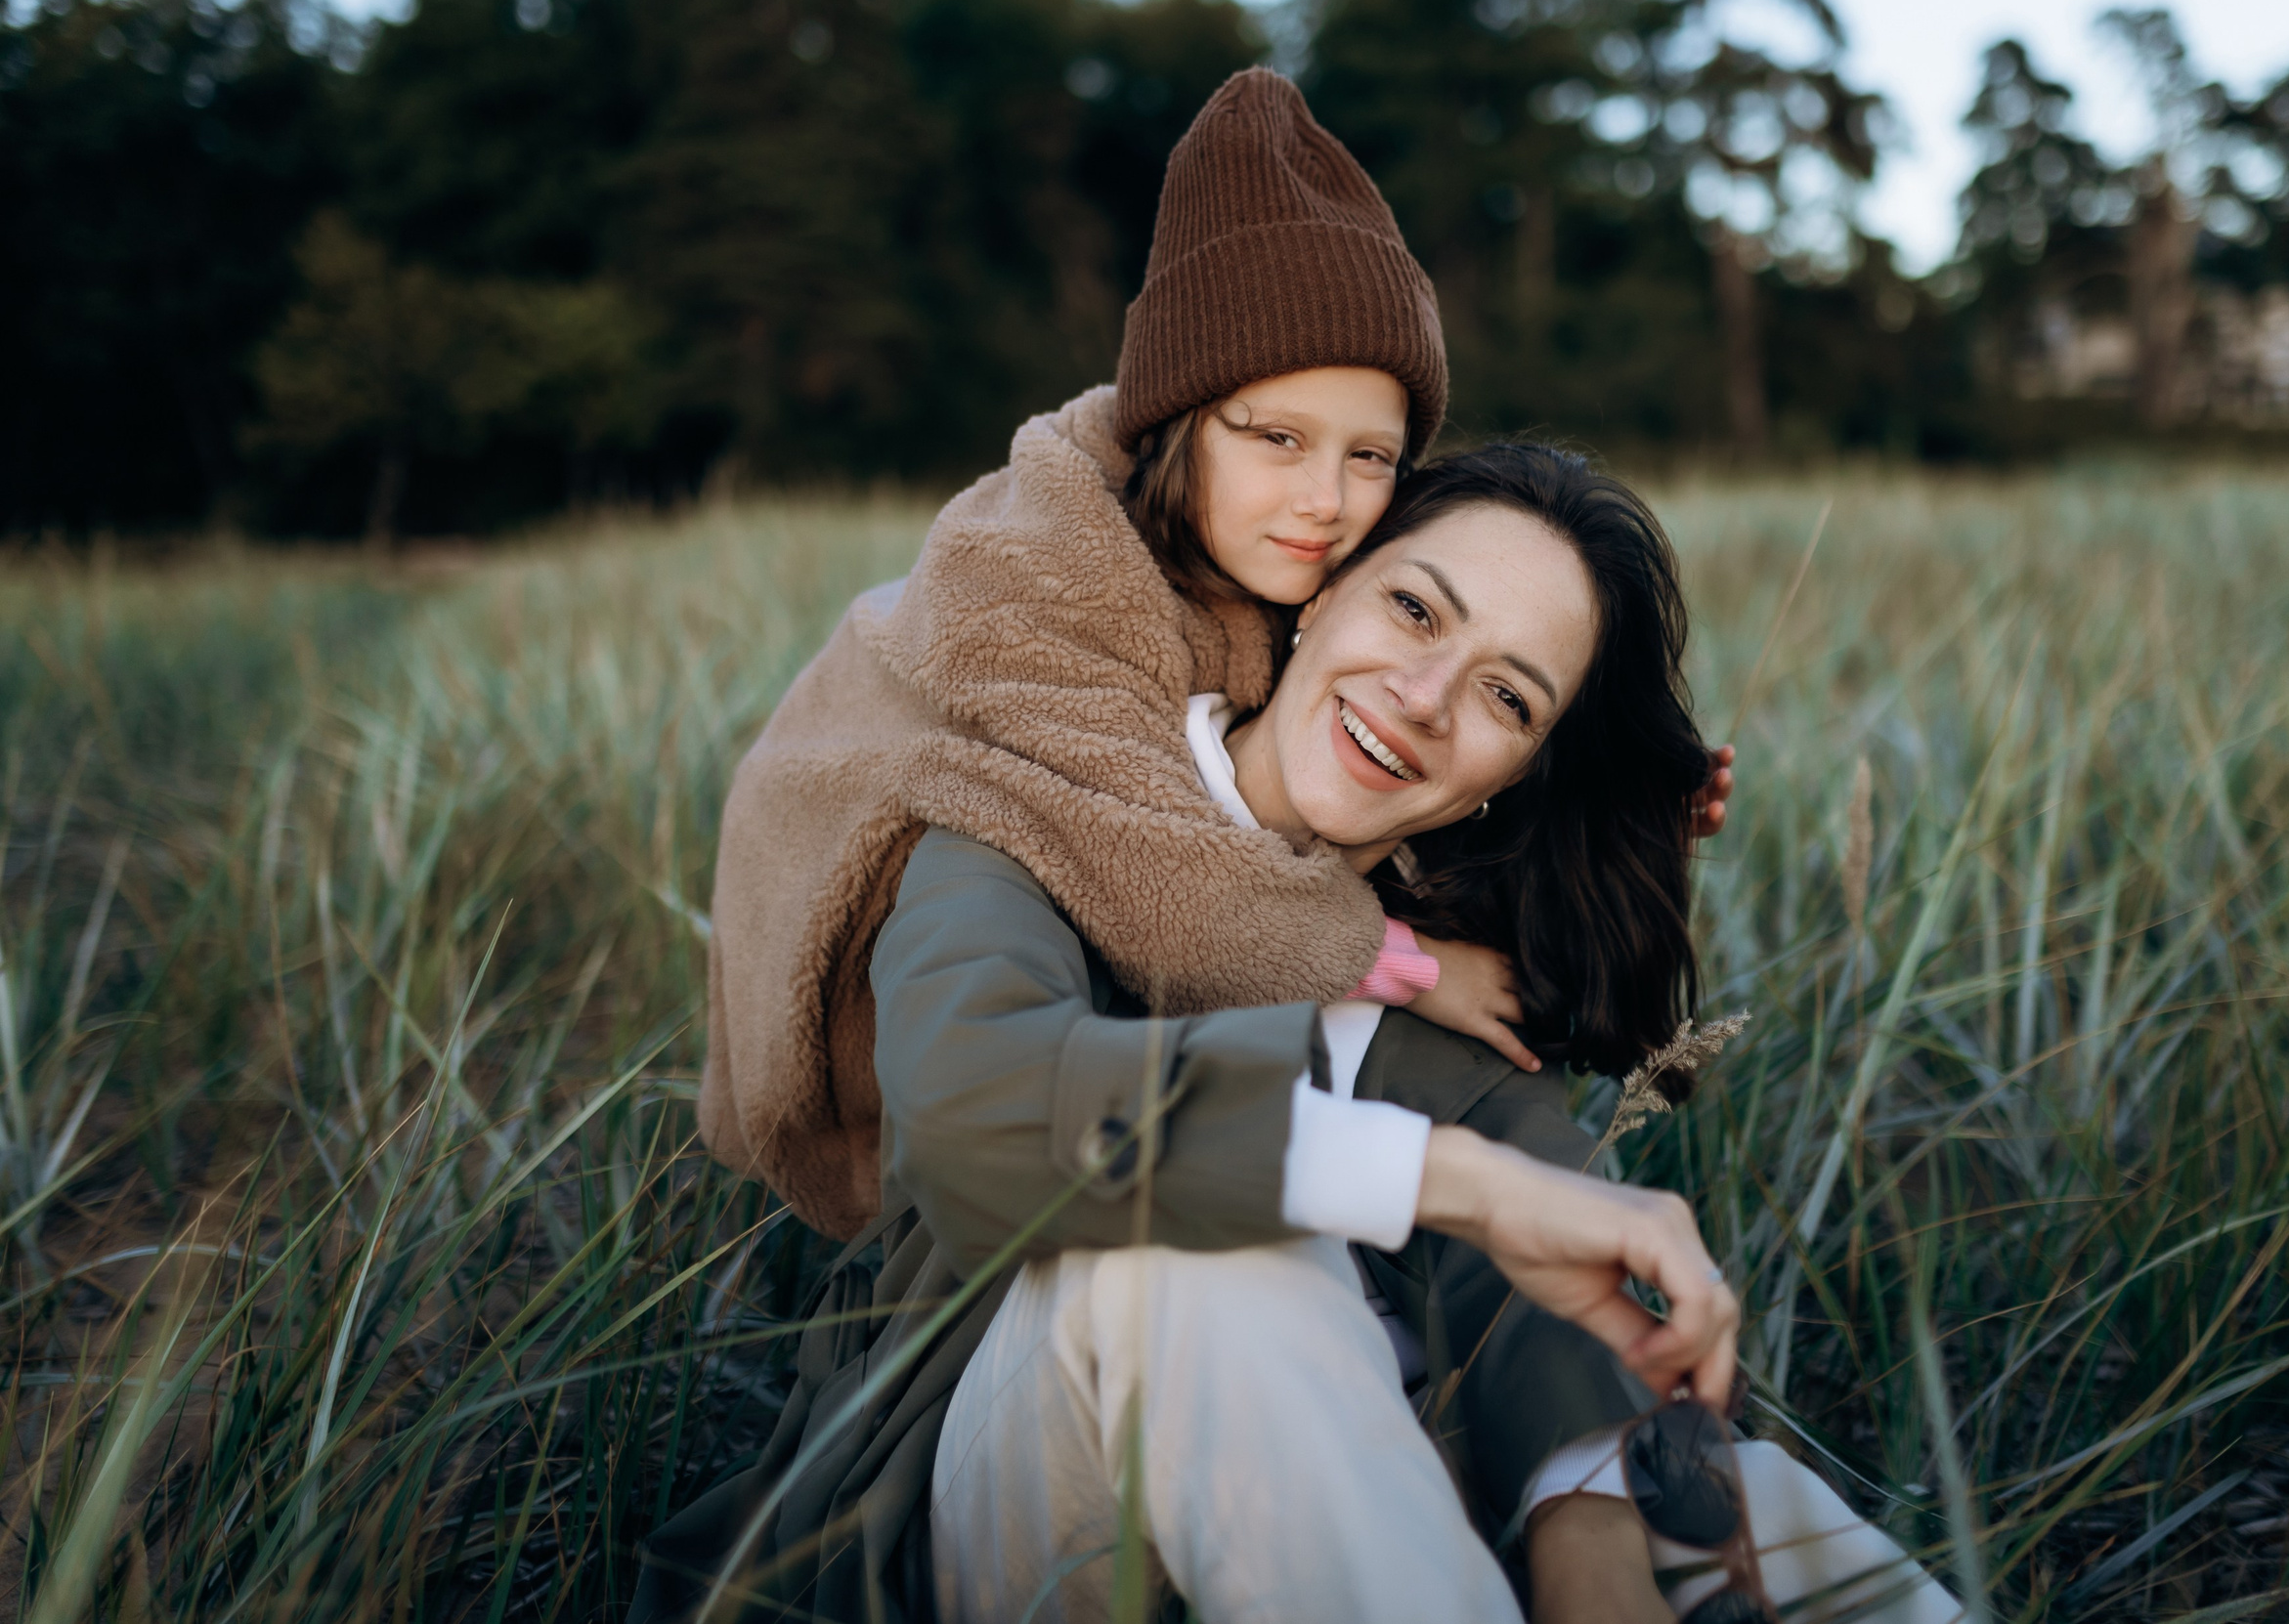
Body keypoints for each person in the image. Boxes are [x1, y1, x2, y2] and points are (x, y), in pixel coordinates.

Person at [635, 449, 1961, 1624]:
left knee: (1741, 1510)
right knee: (1198, 1251)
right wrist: (1451, 1181)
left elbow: (1534, 1281)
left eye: (1507, 698)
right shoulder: (1032, 805)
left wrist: (1589, 1533)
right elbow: (972, 1113)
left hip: (1351, 1499)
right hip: (979, 1509)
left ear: (1515, 771)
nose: (1426, 696)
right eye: (1415, 608)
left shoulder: (1446, 966)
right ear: (1319, 591)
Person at [692, 66, 1732, 1251]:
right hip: (857, 1002)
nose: (1325, 500)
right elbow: (1163, 885)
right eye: (1277, 436)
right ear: (1182, 418)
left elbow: (1365, 793)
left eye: (1371, 457)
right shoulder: (1036, 585)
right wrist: (1400, 964)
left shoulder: (1255, 586)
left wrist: (1616, 801)